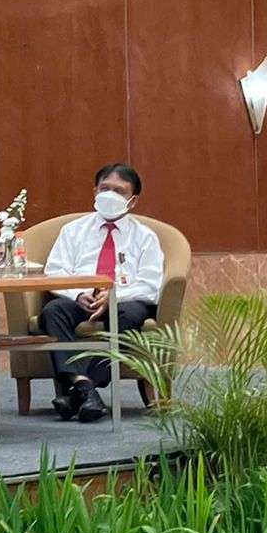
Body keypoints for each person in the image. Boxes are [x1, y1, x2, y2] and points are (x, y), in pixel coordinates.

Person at [39, 163, 164, 423]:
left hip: (126, 300)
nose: (110, 195)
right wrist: (78, 294)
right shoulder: (73, 230)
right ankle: (85, 388)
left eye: (119, 191)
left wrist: (115, 296)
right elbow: (55, 271)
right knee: (52, 311)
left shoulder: (145, 237)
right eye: (105, 188)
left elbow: (151, 284)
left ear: (132, 200)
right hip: (83, 297)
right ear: (95, 191)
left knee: (128, 315)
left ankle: (80, 391)